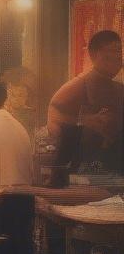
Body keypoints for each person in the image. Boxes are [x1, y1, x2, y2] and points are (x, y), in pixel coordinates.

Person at [47, 30, 124, 173]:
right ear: (95, 55)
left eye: (120, 50)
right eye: (113, 51)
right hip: (88, 165)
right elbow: (55, 118)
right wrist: (84, 121)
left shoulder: (117, 86)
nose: (119, 56)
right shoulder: (77, 85)